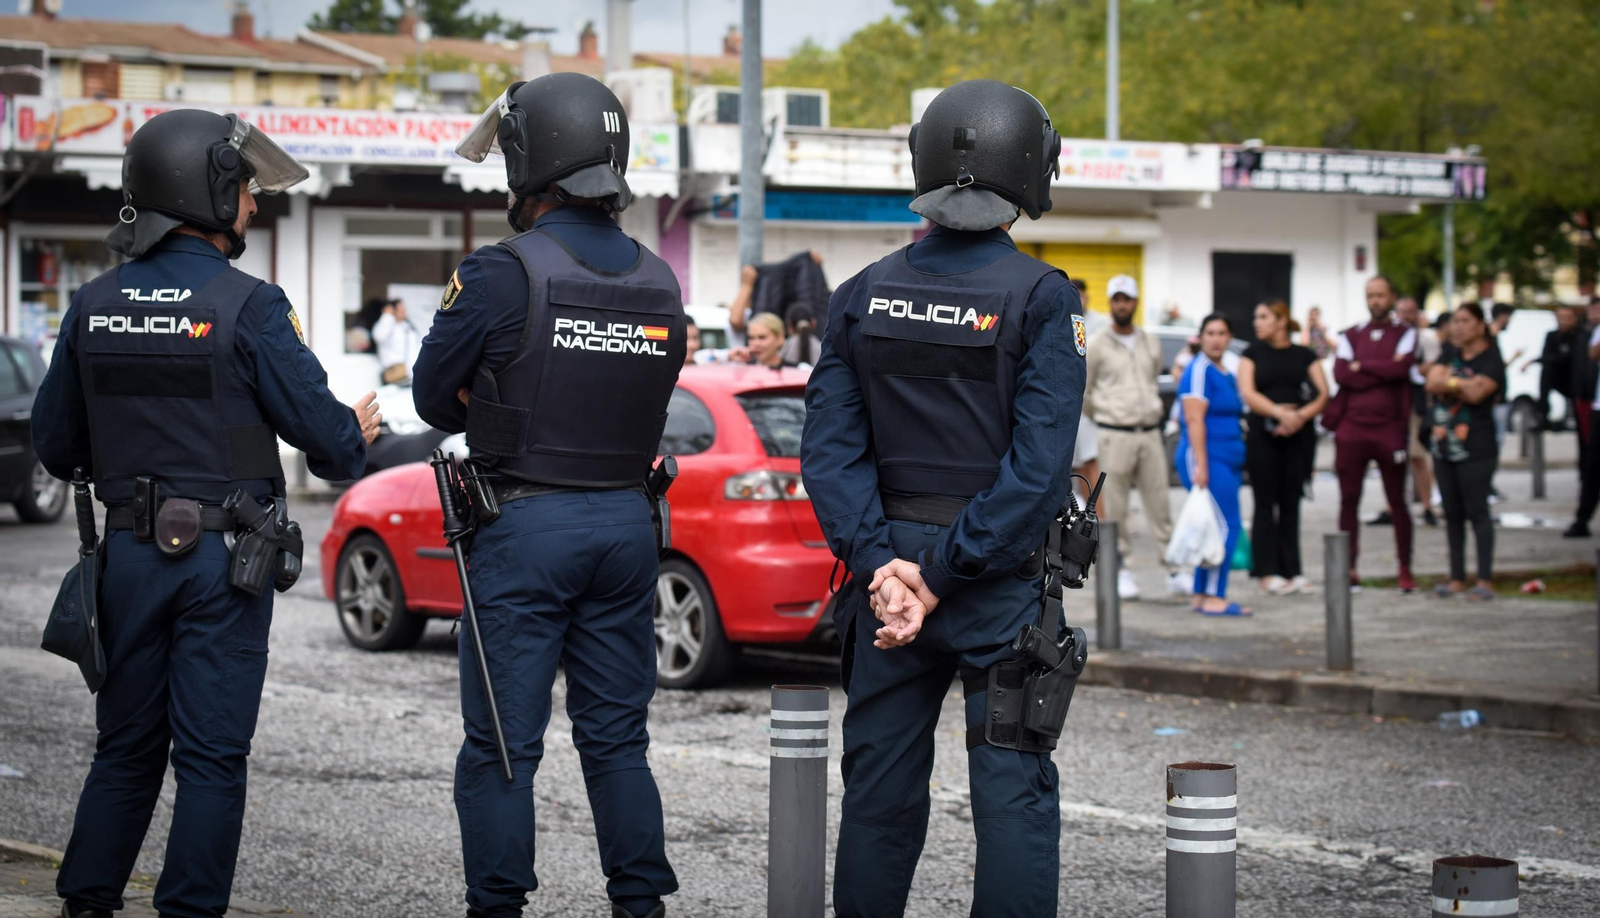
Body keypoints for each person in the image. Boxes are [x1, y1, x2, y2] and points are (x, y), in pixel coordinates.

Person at [31, 109, 377, 918]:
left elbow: (55, 446)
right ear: (213, 188)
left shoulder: (92, 303)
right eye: (247, 188)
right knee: (213, 760)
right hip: (222, 567)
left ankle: (86, 904)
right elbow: (328, 443)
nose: (253, 204)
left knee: (123, 750)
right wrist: (350, 436)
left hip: (127, 563)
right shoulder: (251, 305)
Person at [800, 80, 1083, 918]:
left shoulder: (859, 295)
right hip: (993, 589)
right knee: (1012, 799)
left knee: (878, 799)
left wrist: (883, 565)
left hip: (883, 588)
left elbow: (828, 452)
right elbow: (1038, 470)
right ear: (1029, 172)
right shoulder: (1042, 298)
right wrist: (942, 572)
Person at [414, 73, 685, 918]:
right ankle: (640, 905)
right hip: (626, 525)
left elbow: (431, 395)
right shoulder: (658, 279)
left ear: (530, 162)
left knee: (502, 745)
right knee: (617, 745)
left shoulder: (500, 273)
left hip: (524, 527)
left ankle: (497, 907)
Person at [1084, 274, 1182, 600]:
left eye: (1127, 299)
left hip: (1150, 433)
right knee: (1115, 506)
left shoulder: (1149, 340)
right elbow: (1084, 389)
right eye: (1117, 299)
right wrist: (1105, 412)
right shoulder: (1098, 342)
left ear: (1135, 302)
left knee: (1159, 503)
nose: (1122, 305)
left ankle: (1173, 568)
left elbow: (1153, 377)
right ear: (1110, 303)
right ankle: (1121, 568)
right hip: (1114, 434)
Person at [1331, 276, 1417, 592]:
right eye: (1370, 295)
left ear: (1392, 297)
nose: (1376, 301)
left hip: (1389, 428)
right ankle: (1348, 567)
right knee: (1348, 499)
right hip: (1352, 427)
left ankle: (1405, 568)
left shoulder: (1406, 334)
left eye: (1381, 295)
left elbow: (1401, 369)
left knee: (1397, 500)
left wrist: (1361, 367)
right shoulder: (1351, 334)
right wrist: (1380, 367)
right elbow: (1341, 373)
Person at [1238, 300, 1328, 596]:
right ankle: (1266, 571)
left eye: (1263, 316)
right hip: (1264, 437)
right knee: (1265, 504)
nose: (1257, 322)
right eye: (1256, 316)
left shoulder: (1304, 355)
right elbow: (1248, 393)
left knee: (1292, 503)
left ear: (1281, 320)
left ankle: (1293, 569)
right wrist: (1280, 414)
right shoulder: (1252, 354)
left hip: (1298, 437)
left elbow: (1323, 393)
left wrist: (1299, 416)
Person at [1425, 304, 1506, 599]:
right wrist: (1461, 382)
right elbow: (1431, 383)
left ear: (1481, 326)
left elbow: (1477, 393)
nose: (1457, 327)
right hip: (1445, 445)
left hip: (1478, 445)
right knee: (1452, 511)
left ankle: (1484, 579)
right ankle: (1456, 577)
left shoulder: (1492, 359)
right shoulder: (1449, 353)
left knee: (1477, 510)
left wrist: (1451, 382)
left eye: (1464, 321)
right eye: (1454, 321)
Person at [1175, 314, 1249, 615]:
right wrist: (1202, 466)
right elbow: (1193, 419)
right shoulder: (1199, 370)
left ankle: (1200, 593)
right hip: (1208, 458)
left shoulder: (1225, 372)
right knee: (1227, 525)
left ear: (1229, 337)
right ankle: (1214, 595)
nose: (1216, 339)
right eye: (1210, 333)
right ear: (1201, 337)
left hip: (1227, 458)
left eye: (1222, 333)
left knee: (1212, 525)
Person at [1371, 296, 1440, 527]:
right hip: (1392, 402)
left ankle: (1428, 505)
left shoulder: (1426, 339)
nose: (1405, 317)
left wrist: (1402, 365)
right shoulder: (1390, 338)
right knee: (1389, 455)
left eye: (1409, 312)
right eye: (1401, 312)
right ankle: (1391, 505)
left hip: (1416, 403)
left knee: (1418, 455)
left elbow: (1431, 370)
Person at [1565, 298, 1600, 538]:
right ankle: (1582, 519)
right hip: (1598, 407)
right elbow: (1593, 353)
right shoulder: (1594, 332)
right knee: (1593, 465)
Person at [1069, 277, 1102, 522]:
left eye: (1081, 294)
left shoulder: (1101, 324)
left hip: (1091, 407)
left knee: (1092, 464)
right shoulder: (1062, 318)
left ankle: (1098, 520)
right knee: (1077, 466)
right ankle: (1082, 522)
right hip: (1069, 403)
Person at [1533, 303, 1582, 430]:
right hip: (1560, 377)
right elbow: (1547, 357)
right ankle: (1543, 414)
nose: (1564, 321)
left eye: (1568, 317)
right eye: (1561, 317)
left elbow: (1572, 357)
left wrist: (1541, 359)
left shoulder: (1580, 335)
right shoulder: (1552, 336)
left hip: (1578, 380)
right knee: (1546, 370)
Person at [371, 296, 422, 384]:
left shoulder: (408, 327)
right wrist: (387, 316)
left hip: (410, 375)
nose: (404, 311)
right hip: (394, 374)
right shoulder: (387, 324)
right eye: (400, 309)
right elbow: (378, 337)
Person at [730, 312, 796, 369]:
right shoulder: (744, 369)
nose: (756, 343)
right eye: (751, 338)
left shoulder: (798, 369)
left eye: (762, 338)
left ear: (780, 339)